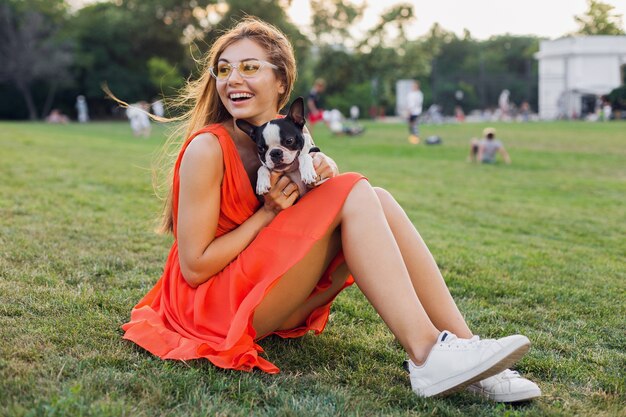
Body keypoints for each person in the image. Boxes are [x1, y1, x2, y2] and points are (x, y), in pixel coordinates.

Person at [121, 18, 539, 401]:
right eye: (225, 69)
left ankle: (467, 352)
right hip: (209, 309)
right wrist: (266, 214)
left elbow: (318, 215)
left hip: (261, 286)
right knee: (358, 190)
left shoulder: (292, 134)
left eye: (249, 67)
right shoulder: (207, 149)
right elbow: (194, 268)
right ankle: (428, 354)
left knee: (378, 197)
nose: (234, 79)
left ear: (282, 81)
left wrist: (324, 170)